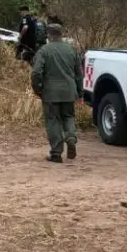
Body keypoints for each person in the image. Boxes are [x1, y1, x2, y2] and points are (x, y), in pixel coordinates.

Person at [32, 23, 83, 163]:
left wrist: (38, 89)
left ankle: (56, 153)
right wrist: (80, 92)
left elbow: (36, 72)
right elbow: (79, 74)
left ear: (48, 34)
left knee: (53, 120)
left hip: (50, 92)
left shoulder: (44, 50)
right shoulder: (72, 50)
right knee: (68, 117)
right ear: (61, 34)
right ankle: (71, 138)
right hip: (69, 91)